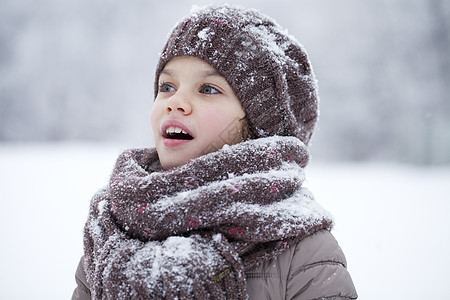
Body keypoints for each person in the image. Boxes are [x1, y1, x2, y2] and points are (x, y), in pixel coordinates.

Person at [72, 4, 357, 299]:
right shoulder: (112, 229)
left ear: (260, 126)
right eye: (167, 86)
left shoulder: (303, 252)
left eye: (207, 89)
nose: (175, 101)